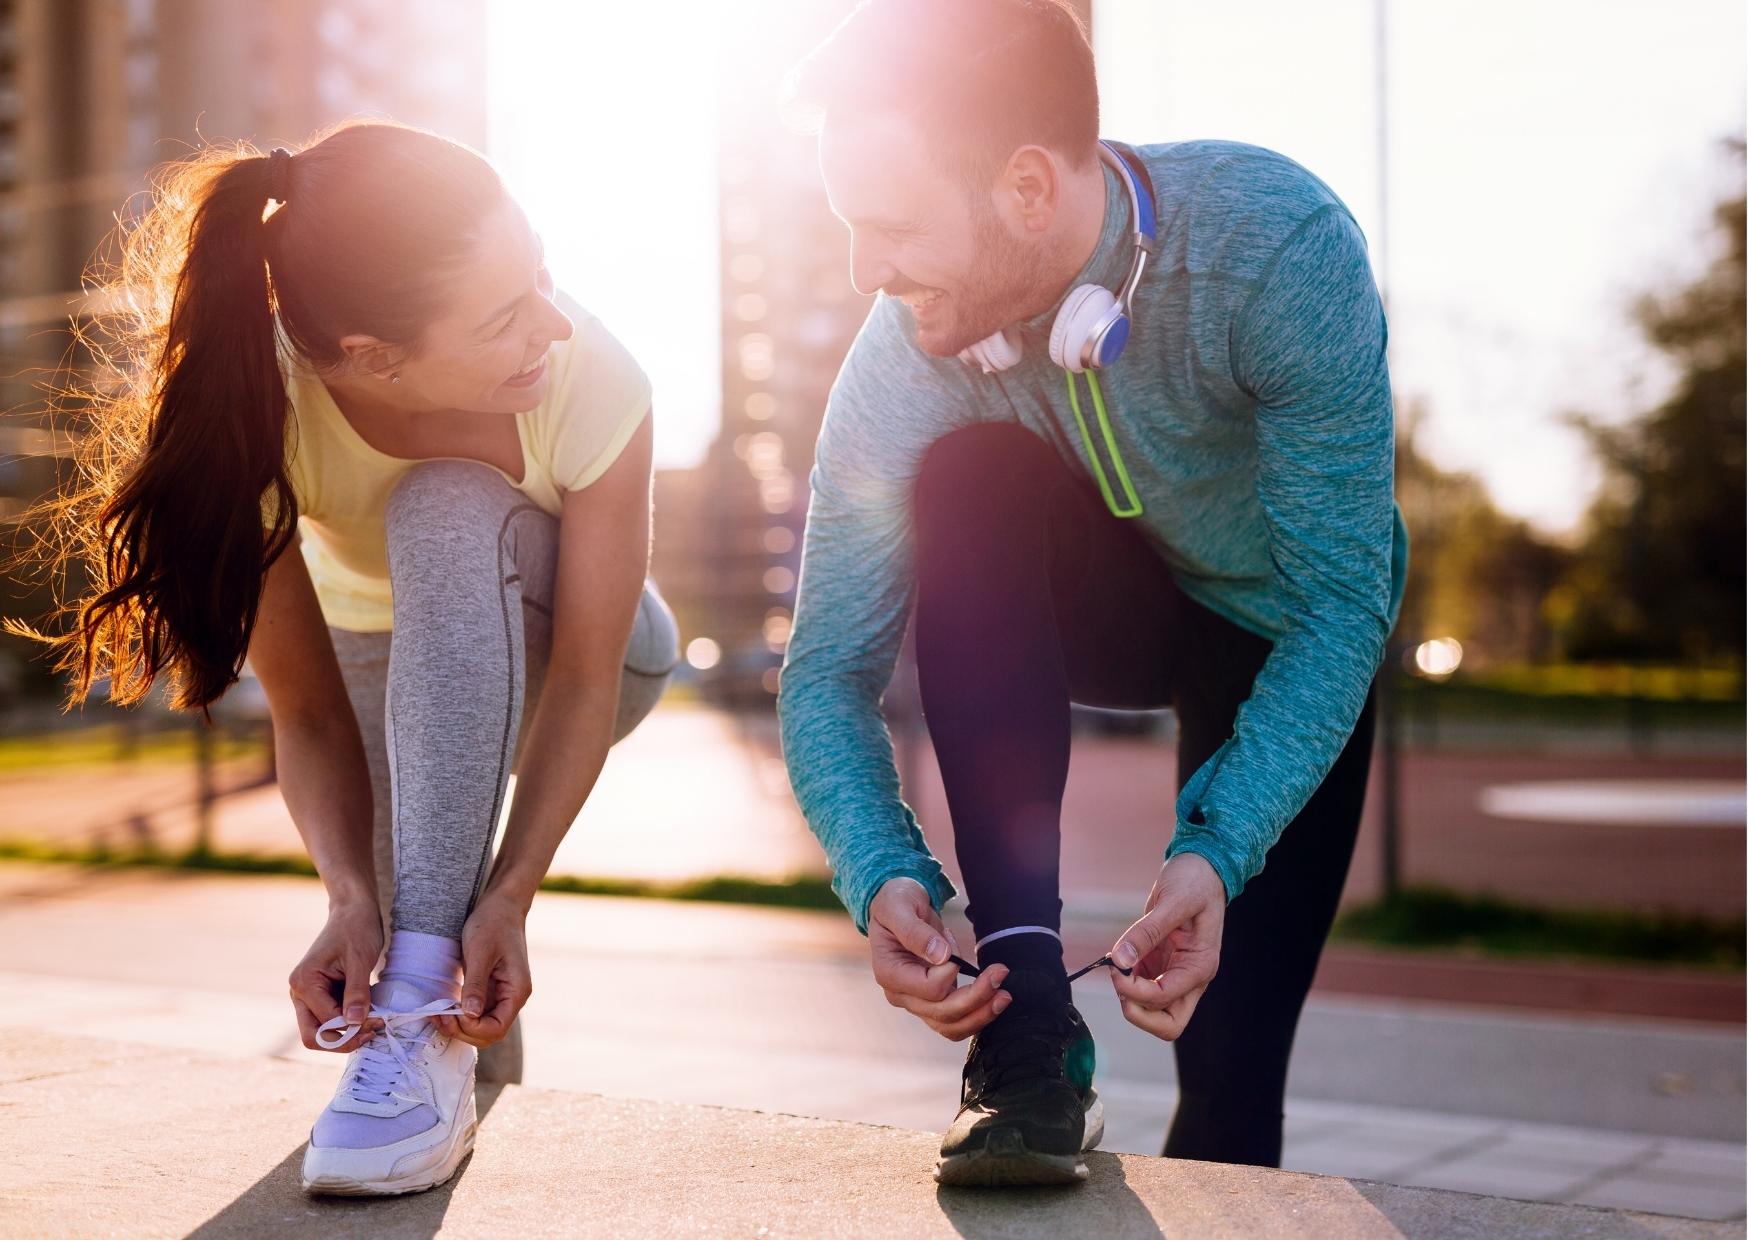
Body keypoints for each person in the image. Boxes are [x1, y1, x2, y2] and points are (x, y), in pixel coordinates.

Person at [776, 0, 1408, 1186]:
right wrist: (879, 867)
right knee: (968, 475)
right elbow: (826, 667)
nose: (866, 270)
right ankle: (1026, 1045)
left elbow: (1340, 603)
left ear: (1025, 189)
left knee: (1228, 1092)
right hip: (1099, 608)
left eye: (891, 226)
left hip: (1275, 636)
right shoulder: (903, 353)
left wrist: (1215, 853)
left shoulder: (1276, 250)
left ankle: (1216, 1126)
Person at [11, 121, 678, 1196]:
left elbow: (591, 673)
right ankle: (435, 1122)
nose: (550, 323)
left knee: (447, 503)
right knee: (424, 957)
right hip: (387, 669)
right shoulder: (254, 414)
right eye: (506, 313)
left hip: (590, 652)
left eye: (540, 274)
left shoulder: (589, 375)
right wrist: (345, 896)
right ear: (371, 358)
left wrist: (515, 888)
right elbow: (310, 714)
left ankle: (435, 984)